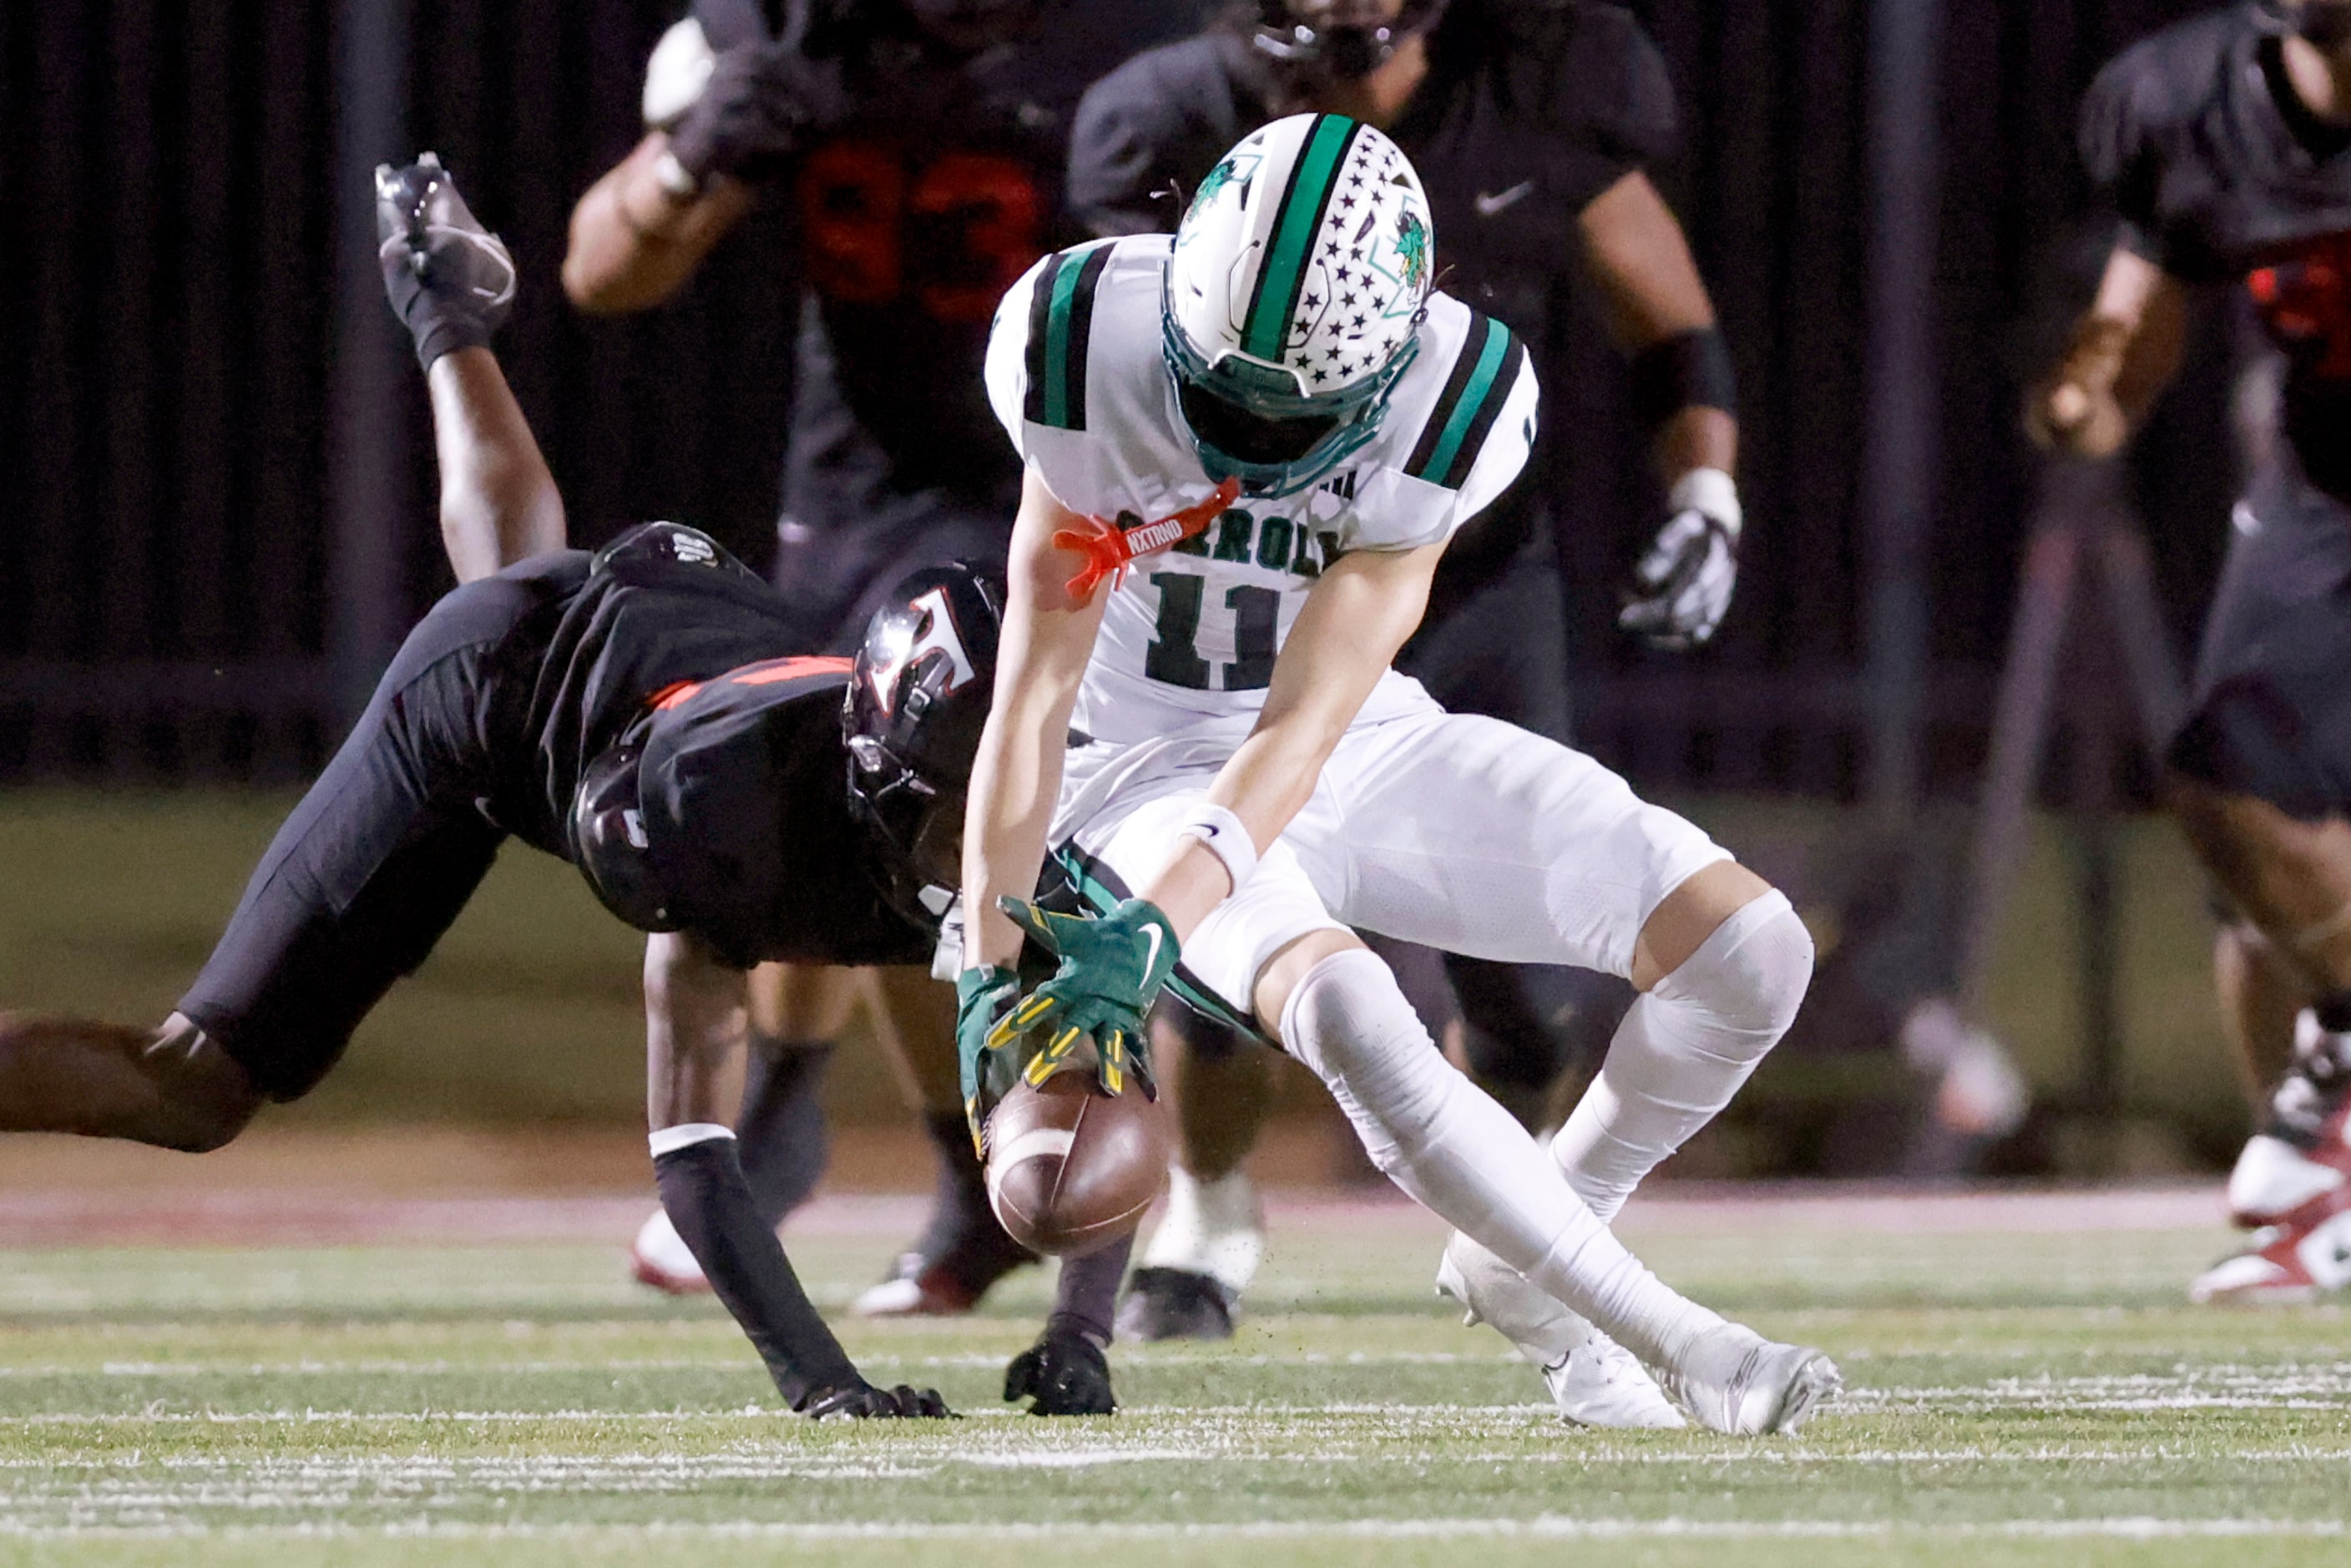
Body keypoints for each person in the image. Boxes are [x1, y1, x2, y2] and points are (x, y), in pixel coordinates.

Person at [0, 157, 1122, 1417]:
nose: (986, 844)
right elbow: (695, 1156)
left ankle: (445, 314)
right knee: (194, 1087)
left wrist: (1084, 1336)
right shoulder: (722, 821)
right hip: (513, 703)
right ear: (874, 782)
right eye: (950, 811)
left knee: (538, 574)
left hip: (683, 624)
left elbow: (1101, 1105)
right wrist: (824, 1384)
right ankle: (446, 322)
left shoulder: (1022, 821)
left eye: (1006, 795)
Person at [955, 114, 1838, 1433]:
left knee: (1754, 952)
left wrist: (1157, 930)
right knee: (1353, 1007)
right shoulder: (1084, 340)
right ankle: (1679, 1336)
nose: (1246, 440)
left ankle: (1525, 1254)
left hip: (1345, 733)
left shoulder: (1454, 393)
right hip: (1132, 761)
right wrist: (985, 962)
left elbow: (1303, 730)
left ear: (1383, 367)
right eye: (1220, 396)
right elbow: (1028, 697)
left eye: (1286, 414)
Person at [1059, 0, 1747, 1346]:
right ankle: (1208, 1208)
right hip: (1252, 590)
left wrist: (1709, 489)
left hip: (1462, 572)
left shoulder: (1543, 82)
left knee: (1522, 997)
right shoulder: (1160, 122)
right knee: (1230, 935)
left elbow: (1664, 316)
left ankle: (1517, 1221)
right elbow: (1123, 379)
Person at [564, 0, 1207, 1314]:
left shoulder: (1131, 47)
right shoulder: (793, 27)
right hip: (852, 491)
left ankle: (1040, 1175)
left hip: (1055, 477)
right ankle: (927, 1169)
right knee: (842, 807)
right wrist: (687, 160)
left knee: (997, 834)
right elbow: (601, 269)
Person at [2030, 0, 2351, 1302]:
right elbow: (2135, 310)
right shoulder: (2186, 101)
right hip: (2330, 480)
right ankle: (2327, 1134)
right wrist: (2091, 386)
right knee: (2236, 796)